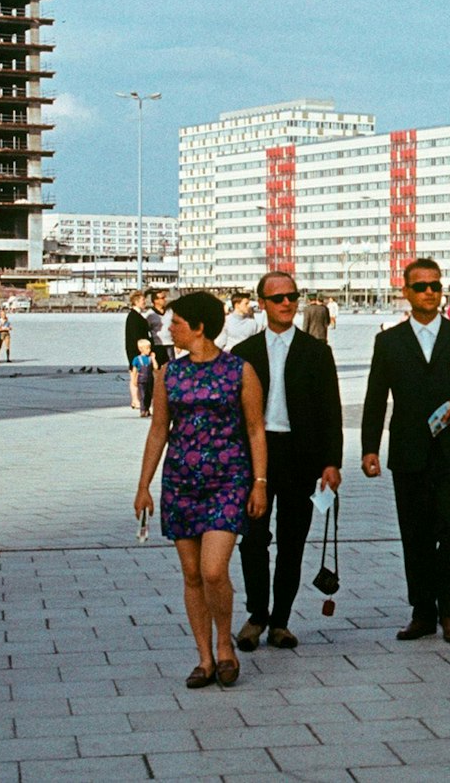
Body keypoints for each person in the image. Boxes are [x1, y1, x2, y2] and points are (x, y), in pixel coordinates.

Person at [132, 291, 269, 689]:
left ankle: (224, 647)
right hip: (181, 484)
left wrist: (260, 482)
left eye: (175, 323)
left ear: (199, 327)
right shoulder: (168, 374)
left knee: (213, 570)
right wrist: (144, 485)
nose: (169, 328)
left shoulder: (239, 371)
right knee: (192, 574)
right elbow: (159, 431)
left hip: (229, 481)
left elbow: (256, 429)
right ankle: (205, 658)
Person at [361, 258, 450, 644]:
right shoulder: (388, 342)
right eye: (420, 287)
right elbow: (375, 398)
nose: (429, 293)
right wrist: (369, 448)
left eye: (435, 286)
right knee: (415, 533)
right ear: (405, 292)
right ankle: (422, 612)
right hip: (408, 452)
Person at [232, 271, 343, 654]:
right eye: (277, 298)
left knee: (293, 542)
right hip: (255, 459)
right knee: (253, 539)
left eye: (291, 296)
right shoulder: (244, 354)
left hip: (301, 456)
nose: (286, 303)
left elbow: (331, 410)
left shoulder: (316, 352)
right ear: (261, 303)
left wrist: (331, 462)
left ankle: (280, 621)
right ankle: (256, 614)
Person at [125, 291, 154, 413]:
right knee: (134, 375)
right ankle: (135, 400)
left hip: (139, 348)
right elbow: (135, 336)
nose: (145, 302)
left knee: (138, 375)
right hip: (135, 350)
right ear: (136, 302)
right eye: (143, 300)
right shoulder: (134, 317)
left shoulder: (137, 316)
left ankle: (137, 400)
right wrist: (140, 350)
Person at [131, 339, 157, 419]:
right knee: (143, 395)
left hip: (150, 379)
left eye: (150, 348)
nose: (149, 350)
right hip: (141, 379)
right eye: (147, 348)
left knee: (149, 395)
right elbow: (134, 371)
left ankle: (147, 409)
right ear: (141, 349)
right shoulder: (137, 359)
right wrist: (134, 380)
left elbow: (156, 367)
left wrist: (153, 358)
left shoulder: (150, 359)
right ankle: (142, 410)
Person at [148, 290, 175, 368]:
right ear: (155, 300)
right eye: (162, 298)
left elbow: (174, 325)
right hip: (158, 345)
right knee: (159, 368)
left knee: (172, 367)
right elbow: (147, 330)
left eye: (164, 297)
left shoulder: (169, 311)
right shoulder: (150, 314)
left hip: (170, 343)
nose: (164, 300)